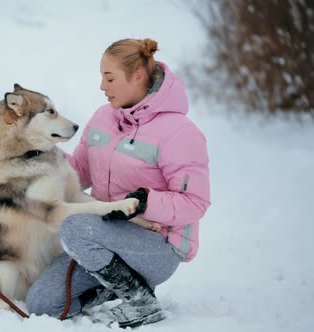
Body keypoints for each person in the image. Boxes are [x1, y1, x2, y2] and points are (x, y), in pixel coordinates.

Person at [25, 38, 211, 328]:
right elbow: (80, 174)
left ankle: (140, 299)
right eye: (102, 77)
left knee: (74, 226)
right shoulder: (103, 118)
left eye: (109, 78)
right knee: (43, 304)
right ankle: (111, 285)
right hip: (102, 239)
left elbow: (195, 203)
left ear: (137, 76)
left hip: (158, 246)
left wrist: (145, 203)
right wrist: (42, 153)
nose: (102, 86)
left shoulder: (179, 132)